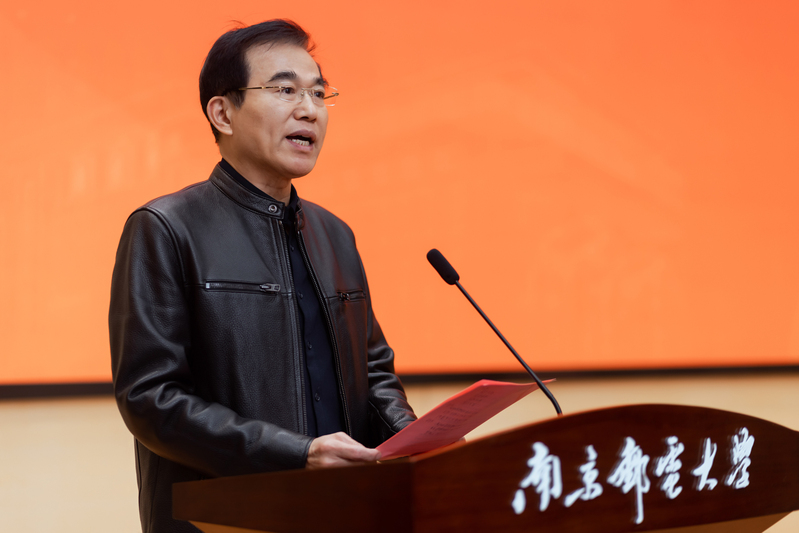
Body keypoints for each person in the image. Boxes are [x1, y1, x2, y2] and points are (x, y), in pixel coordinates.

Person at [109, 19, 416, 533]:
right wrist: (294, 454)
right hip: (225, 520)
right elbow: (151, 399)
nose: (309, 109)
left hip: (342, 511)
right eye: (285, 90)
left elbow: (374, 371)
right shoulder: (166, 228)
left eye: (318, 92)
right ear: (222, 113)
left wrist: (414, 440)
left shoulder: (335, 234)